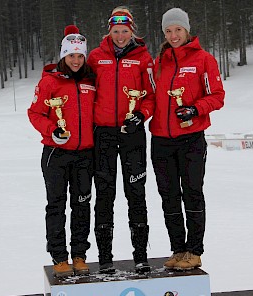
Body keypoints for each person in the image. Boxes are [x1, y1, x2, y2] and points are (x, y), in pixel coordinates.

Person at [150, 8, 225, 270]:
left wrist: (195, 108)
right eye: (168, 31)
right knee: (168, 195)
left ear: (187, 30)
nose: (173, 35)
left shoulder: (203, 59)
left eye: (178, 30)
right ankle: (178, 248)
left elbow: (217, 96)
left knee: (192, 192)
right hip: (160, 139)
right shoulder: (159, 62)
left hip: (191, 137)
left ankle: (194, 250)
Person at [87, 6, 155, 274]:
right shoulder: (95, 57)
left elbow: (151, 94)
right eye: (115, 31)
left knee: (136, 193)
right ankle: (105, 258)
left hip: (132, 133)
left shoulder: (143, 58)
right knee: (104, 194)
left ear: (132, 31)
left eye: (125, 31)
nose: (120, 36)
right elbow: (82, 88)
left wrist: (141, 114)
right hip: (102, 133)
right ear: (109, 31)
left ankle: (140, 256)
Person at [28, 25, 96, 278]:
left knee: (81, 205)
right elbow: (34, 113)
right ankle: (58, 256)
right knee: (56, 205)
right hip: (56, 153)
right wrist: (51, 129)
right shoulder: (49, 82)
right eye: (71, 56)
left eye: (80, 56)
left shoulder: (91, 80)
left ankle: (79, 253)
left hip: (84, 154)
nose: (76, 61)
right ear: (63, 56)